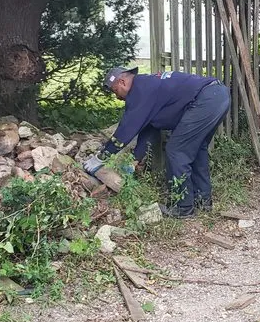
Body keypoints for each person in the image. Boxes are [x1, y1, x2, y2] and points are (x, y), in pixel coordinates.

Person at [83, 66, 230, 218]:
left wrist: (101, 158)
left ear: (122, 82)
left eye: (115, 91)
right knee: (197, 149)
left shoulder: (139, 92)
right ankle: (203, 202)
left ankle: (183, 208)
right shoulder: (146, 86)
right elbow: (150, 129)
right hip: (217, 95)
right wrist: (135, 158)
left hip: (206, 99)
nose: (117, 97)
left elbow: (125, 130)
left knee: (176, 151)